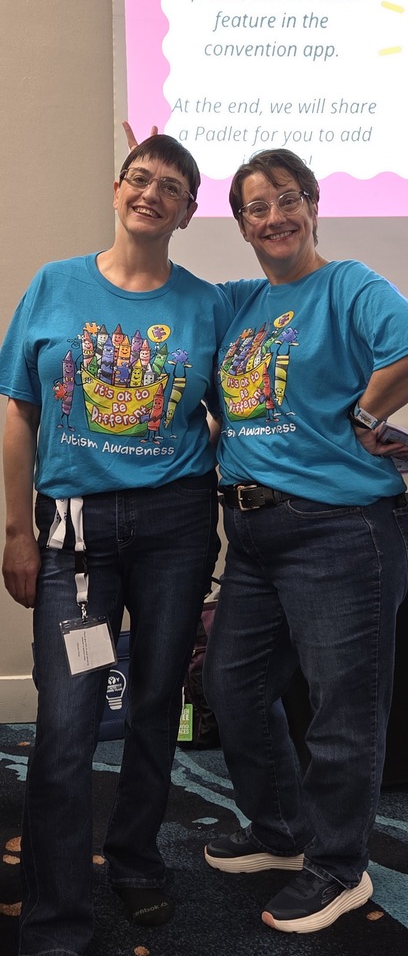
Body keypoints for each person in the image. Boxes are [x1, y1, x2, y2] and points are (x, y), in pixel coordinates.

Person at [0, 134, 233, 956]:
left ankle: (136, 862)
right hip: (74, 538)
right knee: (66, 722)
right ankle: (55, 913)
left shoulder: (209, 304)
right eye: (141, 178)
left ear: (187, 211)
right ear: (116, 188)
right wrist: (17, 530)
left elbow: (238, 402)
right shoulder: (54, 285)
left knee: (155, 704)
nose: (152, 194)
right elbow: (20, 409)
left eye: (171, 187)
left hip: (173, 527)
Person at [201, 148, 408, 933]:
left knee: (342, 712)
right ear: (239, 224)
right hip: (253, 530)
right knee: (234, 692)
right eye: (255, 208)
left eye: (286, 200)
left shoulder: (349, 284)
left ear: (312, 203)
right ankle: (281, 835)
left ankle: (339, 869)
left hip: (340, 532)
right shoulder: (239, 303)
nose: (273, 218)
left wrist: (367, 415)